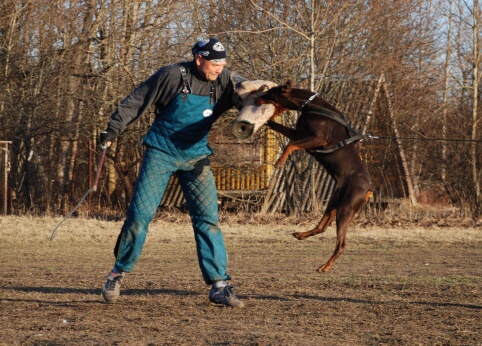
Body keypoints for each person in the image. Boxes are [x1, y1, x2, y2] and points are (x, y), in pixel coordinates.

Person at [99, 38, 245, 308]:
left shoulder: (225, 81)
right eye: (215, 63)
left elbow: (251, 95)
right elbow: (136, 101)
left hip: (197, 155)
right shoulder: (171, 75)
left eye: (224, 63)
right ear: (199, 59)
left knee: (208, 219)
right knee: (139, 217)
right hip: (161, 152)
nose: (220, 69)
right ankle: (117, 273)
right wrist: (112, 130)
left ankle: (219, 285)